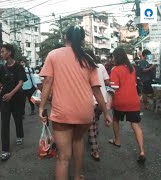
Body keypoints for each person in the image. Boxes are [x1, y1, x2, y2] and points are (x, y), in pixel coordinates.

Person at [39, 26, 112, 180]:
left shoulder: (53, 55)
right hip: (85, 111)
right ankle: (77, 176)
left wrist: (41, 107)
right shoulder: (88, 59)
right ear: (82, 39)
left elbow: (47, 82)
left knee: (63, 157)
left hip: (62, 111)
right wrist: (106, 113)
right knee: (78, 141)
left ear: (65, 36)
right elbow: (97, 90)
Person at [108, 47, 146, 163]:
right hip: (133, 100)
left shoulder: (115, 69)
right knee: (135, 125)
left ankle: (117, 140)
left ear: (116, 57)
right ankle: (142, 151)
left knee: (115, 119)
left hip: (120, 101)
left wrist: (108, 98)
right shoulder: (131, 68)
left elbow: (114, 88)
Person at [0, 44, 27, 161]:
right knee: (5, 123)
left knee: (17, 118)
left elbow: (20, 83)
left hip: (17, 98)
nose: (1, 54)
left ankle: (20, 135)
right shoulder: (2, 68)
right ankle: (5, 150)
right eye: (1, 52)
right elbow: (0, 83)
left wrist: (11, 94)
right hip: (5, 99)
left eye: (3, 52)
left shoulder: (19, 67)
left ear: (10, 52)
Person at [86, 50, 110, 161]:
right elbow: (107, 81)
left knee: (91, 124)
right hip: (102, 100)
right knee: (95, 120)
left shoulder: (84, 67)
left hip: (91, 100)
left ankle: (95, 150)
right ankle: (93, 137)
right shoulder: (100, 66)